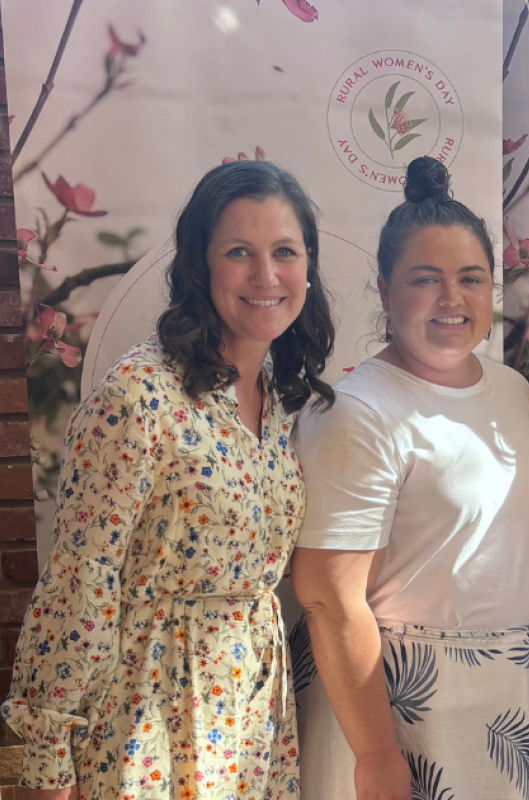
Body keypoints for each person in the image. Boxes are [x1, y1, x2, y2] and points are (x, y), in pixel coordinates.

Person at [2, 160, 336, 799]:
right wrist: (48, 760)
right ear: (199, 265)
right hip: (149, 718)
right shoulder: (138, 398)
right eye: (239, 252)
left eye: (285, 252)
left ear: (308, 268)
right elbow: (81, 579)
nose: (266, 275)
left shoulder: (273, 401)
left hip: (252, 717)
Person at [287, 156, 529, 800]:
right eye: (425, 279)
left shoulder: (515, 389)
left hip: (513, 703)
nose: (451, 299)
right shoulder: (356, 410)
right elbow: (328, 598)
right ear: (384, 291)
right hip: (397, 707)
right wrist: (378, 755)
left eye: (471, 278)